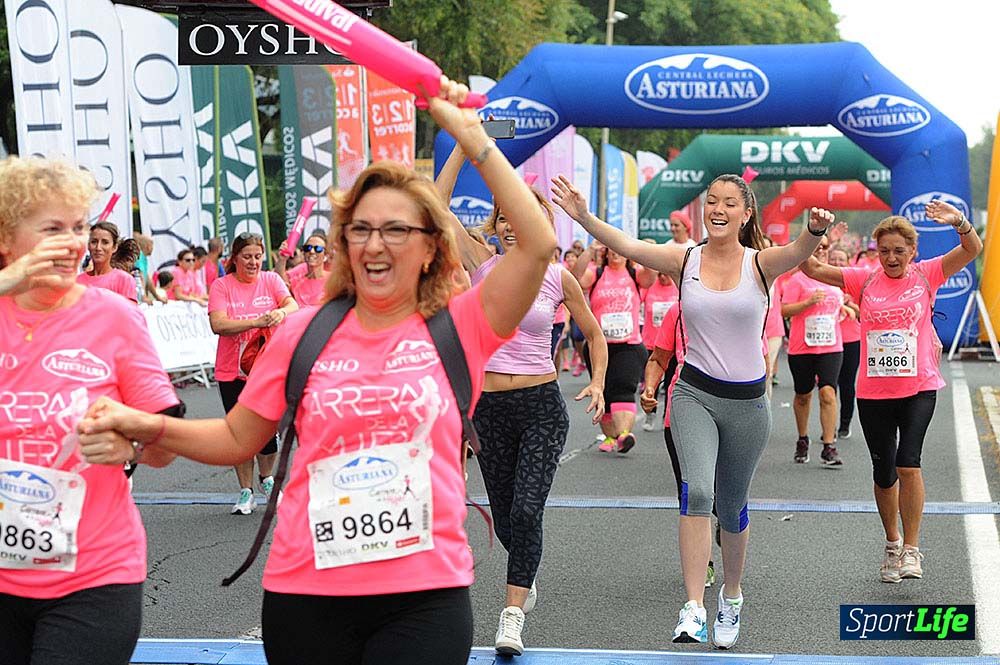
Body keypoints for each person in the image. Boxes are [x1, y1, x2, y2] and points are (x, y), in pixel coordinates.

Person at [77, 78, 557, 665]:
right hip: (307, 592)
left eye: (397, 230)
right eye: (361, 229)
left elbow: (537, 245)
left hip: (424, 596)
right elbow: (237, 438)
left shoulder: (461, 326)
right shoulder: (303, 332)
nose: (375, 244)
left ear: (431, 246)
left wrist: (471, 138)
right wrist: (146, 425)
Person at [552, 172, 835, 648]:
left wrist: (815, 229)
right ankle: (693, 607)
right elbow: (627, 244)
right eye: (712, 202)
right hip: (693, 394)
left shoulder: (760, 263)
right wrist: (583, 217)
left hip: (748, 403)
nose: (718, 209)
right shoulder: (684, 259)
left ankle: (731, 595)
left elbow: (797, 252)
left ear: (746, 214)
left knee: (731, 507)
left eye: (729, 203)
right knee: (697, 491)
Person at [0, 155, 180, 665]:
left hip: (93, 575)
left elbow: (165, 446)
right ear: (6, 239)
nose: (74, 242)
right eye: (53, 229)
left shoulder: (115, 317)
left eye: (79, 227)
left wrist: (133, 442)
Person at [436, 142, 608, 655]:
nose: (513, 226)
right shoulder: (481, 263)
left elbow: (593, 334)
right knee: (509, 518)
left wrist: (598, 381)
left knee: (528, 512)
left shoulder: (558, 277)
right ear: (496, 225)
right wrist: (464, 147)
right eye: (505, 217)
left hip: (540, 408)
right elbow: (436, 206)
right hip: (489, 411)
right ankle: (524, 571)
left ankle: (511, 616)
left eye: (523, 216)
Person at [799, 203, 981, 583]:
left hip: (918, 387)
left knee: (908, 463)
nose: (892, 258)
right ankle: (892, 543)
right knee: (884, 473)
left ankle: (912, 548)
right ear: (876, 251)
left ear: (913, 251)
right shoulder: (864, 279)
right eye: (885, 251)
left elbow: (971, 249)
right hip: (874, 391)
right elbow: (811, 268)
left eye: (899, 250)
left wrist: (959, 222)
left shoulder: (927, 273)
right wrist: (815, 232)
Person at [208, 232, 298, 515]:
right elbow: (218, 324)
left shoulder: (270, 280)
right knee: (238, 433)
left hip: (266, 370)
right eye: (247, 257)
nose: (253, 262)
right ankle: (245, 491)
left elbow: (292, 305)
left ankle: (267, 479)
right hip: (231, 371)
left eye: (258, 256)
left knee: (266, 431)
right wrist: (256, 321)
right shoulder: (222, 285)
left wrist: (281, 313)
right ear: (234, 258)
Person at [569, 241, 653, 453]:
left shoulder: (634, 274)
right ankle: (609, 436)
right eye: (612, 249)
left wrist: (643, 250)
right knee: (603, 390)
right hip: (599, 345)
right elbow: (575, 277)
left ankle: (623, 435)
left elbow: (650, 277)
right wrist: (590, 250)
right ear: (606, 253)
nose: (616, 253)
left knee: (624, 386)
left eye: (620, 250)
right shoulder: (597, 274)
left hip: (629, 344)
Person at [780, 235, 849, 466]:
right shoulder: (797, 280)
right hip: (802, 347)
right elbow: (783, 311)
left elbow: (841, 302)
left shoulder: (834, 278)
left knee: (828, 393)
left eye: (825, 247)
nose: (821, 250)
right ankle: (802, 439)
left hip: (831, 346)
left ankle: (829, 446)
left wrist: (845, 309)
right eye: (817, 247)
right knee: (803, 395)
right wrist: (807, 303)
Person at [828, 245, 861, 439]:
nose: (837, 263)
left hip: (851, 340)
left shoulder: (856, 283)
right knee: (828, 386)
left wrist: (850, 304)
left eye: (841, 260)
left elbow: (864, 313)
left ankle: (845, 423)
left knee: (847, 384)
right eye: (833, 259)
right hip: (828, 341)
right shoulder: (823, 282)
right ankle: (829, 426)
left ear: (848, 262)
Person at [639, 268, 679, 431]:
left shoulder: (678, 287)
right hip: (652, 342)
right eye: (660, 274)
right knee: (652, 382)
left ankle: (666, 415)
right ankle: (650, 413)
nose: (662, 277)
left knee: (670, 382)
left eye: (666, 274)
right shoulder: (650, 287)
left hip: (673, 345)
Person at [75, 221, 140, 303]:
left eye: (105, 242)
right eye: (94, 242)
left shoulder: (124, 280)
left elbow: (130, 310)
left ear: (114, 247)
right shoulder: (77, 282)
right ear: (88, 245)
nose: (98, 248)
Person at [288, 230, 329, 307]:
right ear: (304, 253)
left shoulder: (334, 280)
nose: (312, 251)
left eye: (318, 249)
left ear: (326, 255)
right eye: (308, 248)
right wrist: (282, 260)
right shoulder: (295, 283)